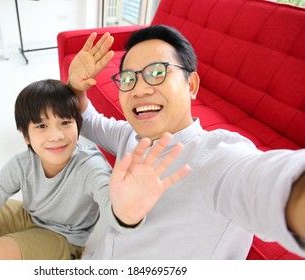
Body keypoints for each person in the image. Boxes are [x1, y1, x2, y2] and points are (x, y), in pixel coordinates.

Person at [67, 25, 305, 259]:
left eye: (157, 73)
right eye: (128, 78)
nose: (139, 90)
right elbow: (89, 121)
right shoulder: (129, 135)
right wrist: (75, 86)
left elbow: (270, 182)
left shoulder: (214, 159)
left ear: (191, 85)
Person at [0, 79, 188, 260]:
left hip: (63, 238)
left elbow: (113, 206)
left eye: (64, 122)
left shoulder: (89, 165)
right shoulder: (22, 163)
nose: (56, 136)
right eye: (41, 126)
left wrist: (128, 212)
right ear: (25, 135)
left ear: (77, 124)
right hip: (30, 217)